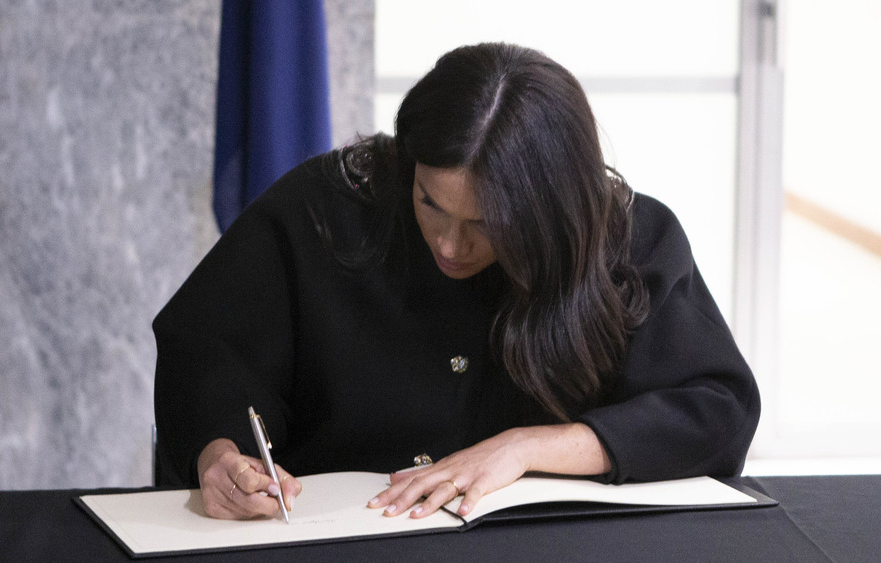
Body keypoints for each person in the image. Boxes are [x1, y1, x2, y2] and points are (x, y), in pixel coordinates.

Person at [152, 43, 760, 521]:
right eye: (430, 202)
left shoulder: (623, 238)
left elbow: (716, 410)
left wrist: (526, 447)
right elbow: (207, 355)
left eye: (487, 224)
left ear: (549, 212)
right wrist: (220, 456)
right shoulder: (324, 210)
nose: (448, 244)